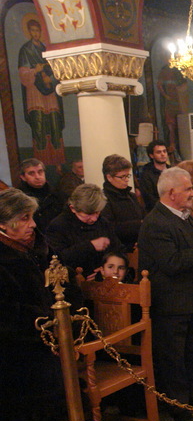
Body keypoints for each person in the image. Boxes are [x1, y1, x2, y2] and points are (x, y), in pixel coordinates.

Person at [0, 188, 76, 421]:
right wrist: (41, 320)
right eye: (24, 219)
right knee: (27, 412)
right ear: (4, 224)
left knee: (56, 399)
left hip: (52, 339)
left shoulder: (40, 247)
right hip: (18, 350)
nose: (32, 224)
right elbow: (6, 310)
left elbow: (64, 284)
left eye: (32, 217)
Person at [137, 167, 193, 421]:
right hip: (170, 302)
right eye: (188, 189)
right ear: (172, 193)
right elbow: (171, 262)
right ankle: (178, 403)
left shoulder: (185, 215)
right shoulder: (156, 223)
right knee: (174, 356)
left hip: (191, 296)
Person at [46, 184, 122, 275]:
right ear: (73, 208)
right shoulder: (58, 226)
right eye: (88, 214)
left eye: (97, 212)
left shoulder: (103, 222)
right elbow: (56, 259)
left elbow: (118, 250)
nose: (94, 219)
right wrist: (90, 246)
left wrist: (106, 268)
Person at [17, 18, 64, 167]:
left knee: (55, 123)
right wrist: (34, 71)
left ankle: (58, 163)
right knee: (38, 124)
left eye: (38, 30)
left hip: (49, 91)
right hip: (34, 91)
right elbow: (22, 73)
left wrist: (51, 79)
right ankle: (41, 163)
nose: (36, 33)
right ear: (29, 32)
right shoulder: (26, 49)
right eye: (33, 30)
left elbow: (57, 70)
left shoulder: (46, 49)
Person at [101, 154, 145, 252]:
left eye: (128, 175)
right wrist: (139, 224)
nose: (127, 180)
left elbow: (143, 216)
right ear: (109, 177)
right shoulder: (103, 199)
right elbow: (109, 228)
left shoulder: (132, 196)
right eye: (122, 177)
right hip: (119, 250)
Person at [17, 158, 63, 231]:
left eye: (40, 172)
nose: (37, 177)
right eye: (31, 173)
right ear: (23, 177)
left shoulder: (57, 193)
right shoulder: (18, 198)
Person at [138, 139, 170, 212]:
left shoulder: (172, 171)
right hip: (157, 210)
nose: (163, 154)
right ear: (151, 155)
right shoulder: (146, 174)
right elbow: (149, 199)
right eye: (159, 152)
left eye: (164, 151)